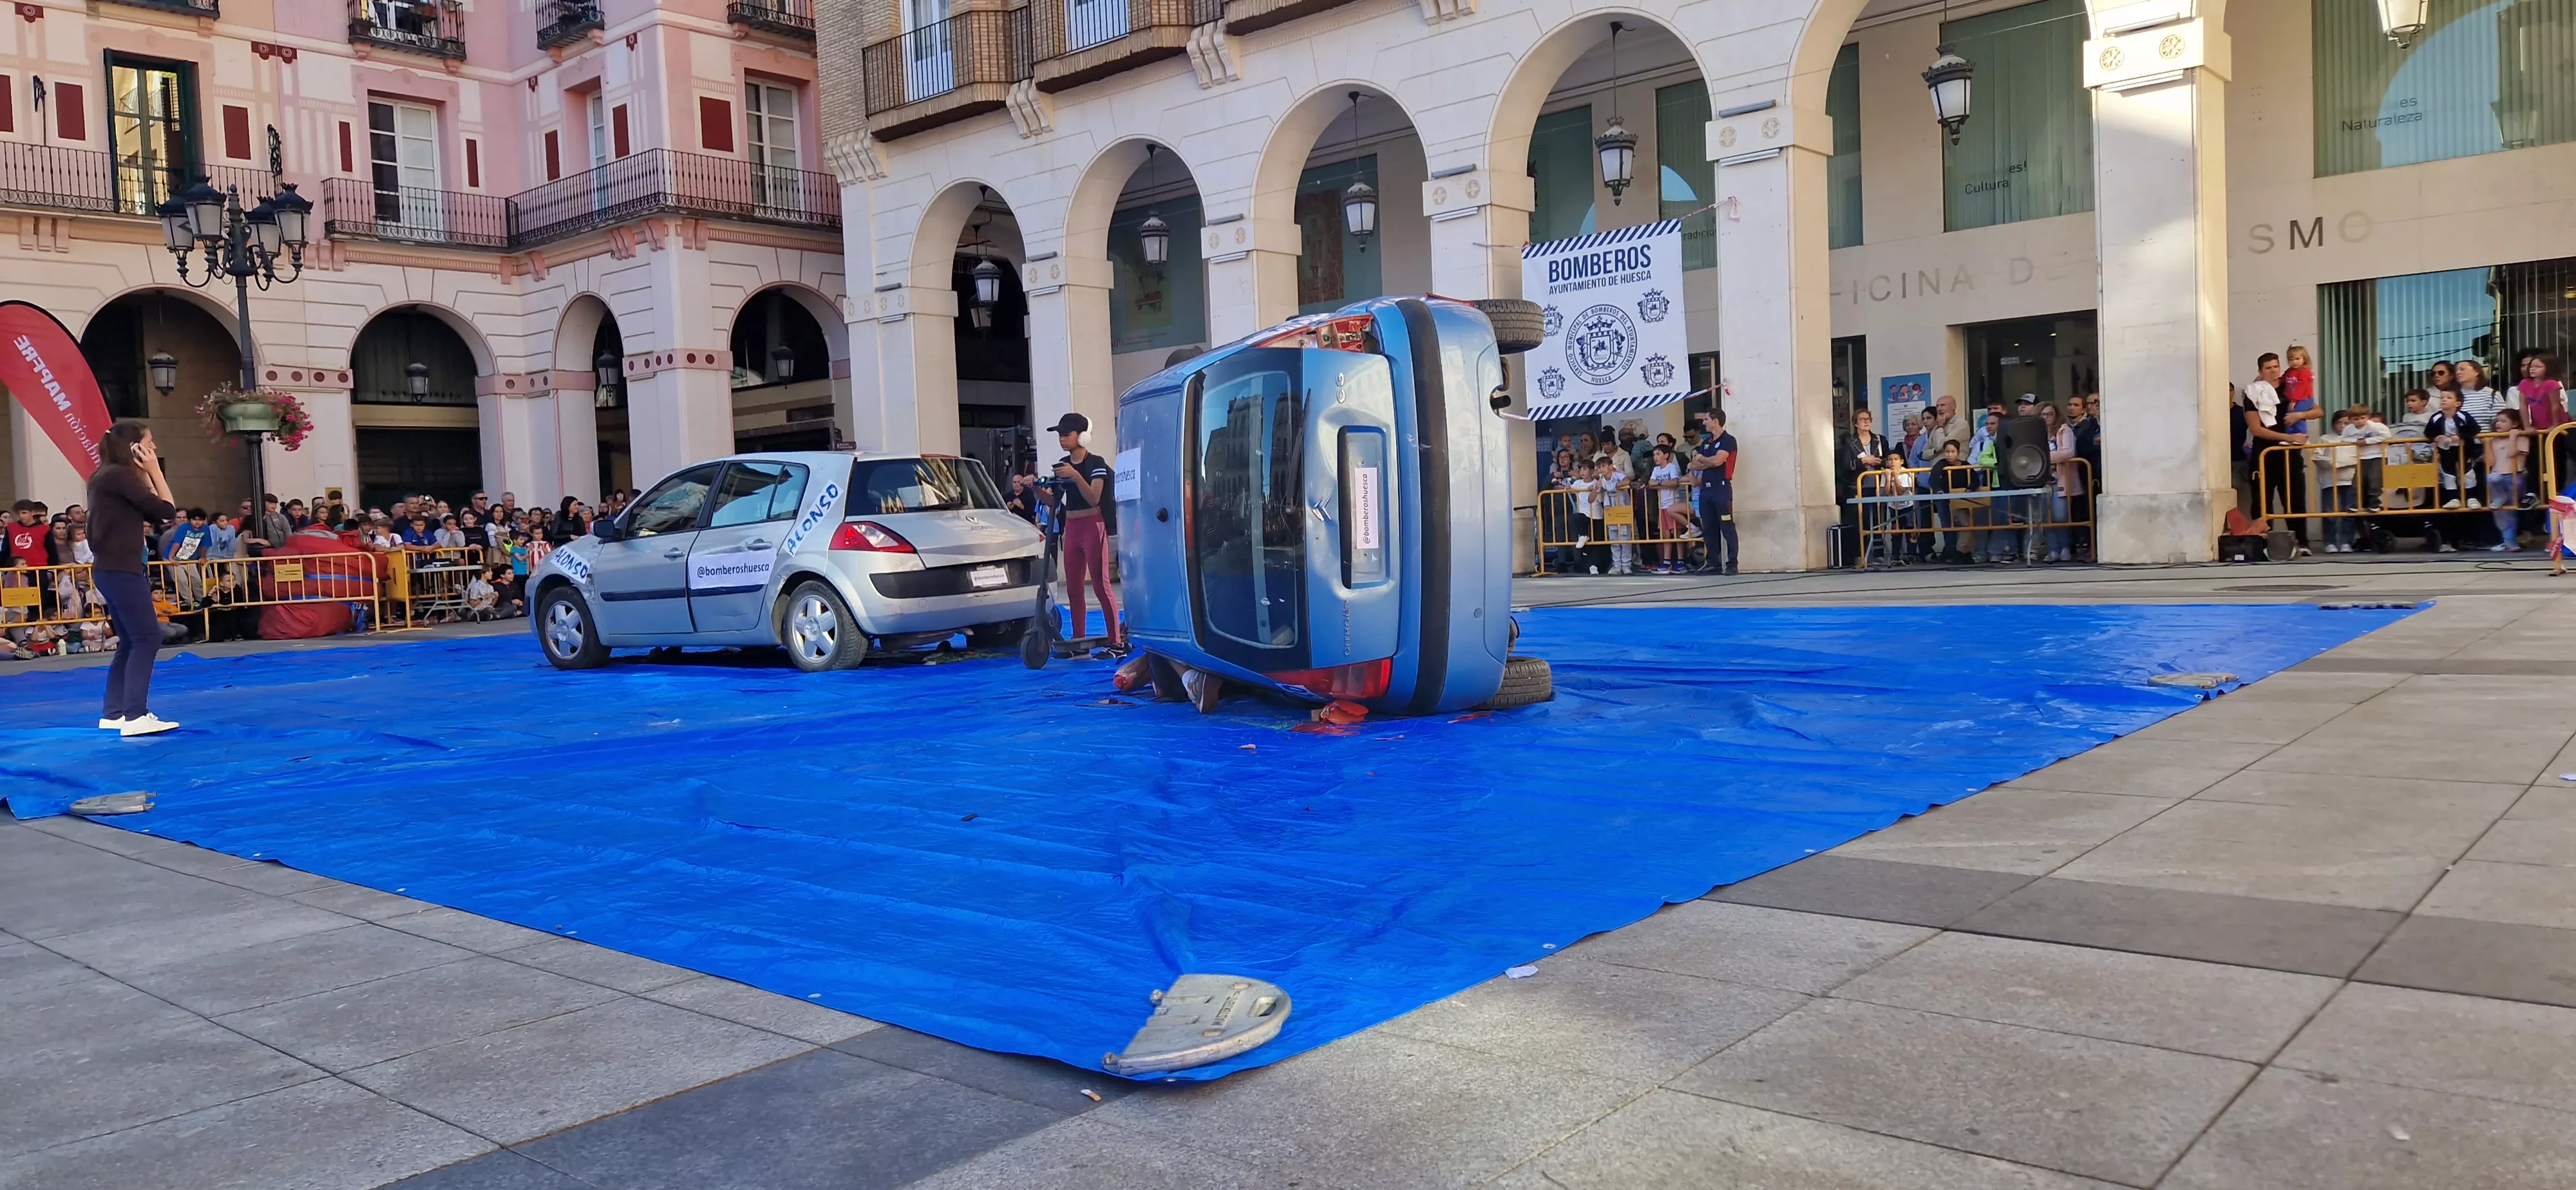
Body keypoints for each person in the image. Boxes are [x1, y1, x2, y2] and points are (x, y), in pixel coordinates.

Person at [86, 422, 181, 735]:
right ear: (135, 448)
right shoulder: (118, 476)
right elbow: (167, 510)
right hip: (121, 569)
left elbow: (155, 514)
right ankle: (135, 715)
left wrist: (145, 472)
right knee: (147, 637)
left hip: (112, 568)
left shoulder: (108, 476)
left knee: (130, 639)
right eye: (149, 444)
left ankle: (115, 713)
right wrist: (155, 470)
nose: (153, 448)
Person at [1048, 412, 1121, 649]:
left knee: (1101, 585)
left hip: (1093, 524)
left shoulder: (1096, 463)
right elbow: (1053, 502)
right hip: (1072, 527)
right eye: (1060, 435)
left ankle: (1115, 641)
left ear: (1082, 437)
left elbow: (1094, 498)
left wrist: (1076, 476)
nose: (1062, 439)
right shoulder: (1063, 465)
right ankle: (1078, 640)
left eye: (1066, 434)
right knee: (1073, 588)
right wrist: (1037, 489)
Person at [2242, 353, 2309, 552]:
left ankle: (2301, 543)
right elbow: (2256, 429)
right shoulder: (2253, 393)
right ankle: (2263, 542)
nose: (2274, 371)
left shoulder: (2290, 390)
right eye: (2269, 368)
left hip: (2290, 454)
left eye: (2276, 367)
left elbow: (2318, 410)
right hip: (2265, 452)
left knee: (2295, 498)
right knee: (2262, 500)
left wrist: (2301, 415)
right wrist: (2289, 438)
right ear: (2261, 372)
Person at [1833, 408, 1888, 568]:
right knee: (1859, 521)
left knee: (1879, 519)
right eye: (1862, 419)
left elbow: (1888, 459)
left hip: (1878, 485)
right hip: (1857, 487)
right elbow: (1844, 465)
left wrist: (1878, 461)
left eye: (1868, 419)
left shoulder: (1880, 440)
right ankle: (1860, 555)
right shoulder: (1849, 441)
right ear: (1856, 423)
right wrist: (1863, 462)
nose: (1866, 422)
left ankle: (1878, 554)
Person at [1689, 408, 1740, 574]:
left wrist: (1702, 459)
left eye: (1706, 419)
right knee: (1709, 527)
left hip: (1721, 488)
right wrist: (1704, 461)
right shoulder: (1706, 443)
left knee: (1726, 526)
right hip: (1706, 490)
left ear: (1716, 420)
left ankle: (1732, 563)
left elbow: (1718, 461)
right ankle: (1713, 563)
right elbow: (1694, 466)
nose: (1703, 423)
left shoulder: (1728, 440)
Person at [2318, 409, 2362, 554]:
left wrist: (2341, 463)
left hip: (2349, 480)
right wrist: (2331, 463)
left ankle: (2346, 542)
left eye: (2346, 423)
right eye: (2339, 423)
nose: (2342, 426)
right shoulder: (2325, 439)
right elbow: (2317, 456)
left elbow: (2359, 458)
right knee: (2329, 513)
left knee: (2348, 513)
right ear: (2333, 424)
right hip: (2329, 481)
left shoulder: (2356, 439)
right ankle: (2330, 542)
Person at [2486, 408, 2529, 551]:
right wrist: (2487, 443)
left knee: (2510, 511)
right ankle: (2509, 542)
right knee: (2501, 513)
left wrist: (2513, 436)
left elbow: (2511, 453)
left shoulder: (2522, 437)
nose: (2499, 424)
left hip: (2514, 476)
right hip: (2497, 476)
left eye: (2504, 421)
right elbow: (2490, 462)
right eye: (2498, 421)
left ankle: (2510, 541)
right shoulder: (2494, 439)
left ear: (2515, 424)